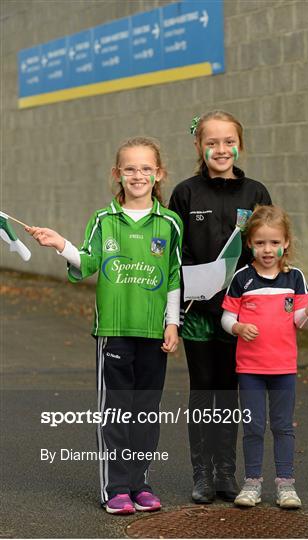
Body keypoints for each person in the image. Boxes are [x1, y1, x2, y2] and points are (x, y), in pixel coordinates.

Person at [27, 137, 183, 515]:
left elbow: (174, 277)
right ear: (117, 174)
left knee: (146, 414)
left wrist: (173, 323)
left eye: (146, 168)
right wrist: (60, 243)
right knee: (116, 413)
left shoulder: (170, 223)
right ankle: (114, 489)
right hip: (114, 332)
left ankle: (140, 483)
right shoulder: (103, 219)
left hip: (153, 334)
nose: (138, 175)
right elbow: (88, 262)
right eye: (129, 168)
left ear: (159, 174)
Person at [168, 110, 272, 503]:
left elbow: (268, 246)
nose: (221, 149)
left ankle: (226, 470)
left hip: (240, 314)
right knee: (204, 389)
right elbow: (174, 254)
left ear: (239, 145)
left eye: (228, 141)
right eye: (212, 142)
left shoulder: (256, 193)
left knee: (230, 391)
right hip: (198, 314)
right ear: (199, 146)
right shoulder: (186, 192)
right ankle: (201, 473)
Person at [221, 205, 308, 509]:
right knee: (253, 426)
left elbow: (299, 322)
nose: (267, 250)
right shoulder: (242, 278)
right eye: (260, 243)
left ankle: (286, 485)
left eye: (274, 242)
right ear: (250, 244)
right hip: (250, 368)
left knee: (282, 426)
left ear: (286, 244)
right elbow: (226, 318)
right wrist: (239, 326)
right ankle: (252, 482)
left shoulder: (295, 278)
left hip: (283, 367)